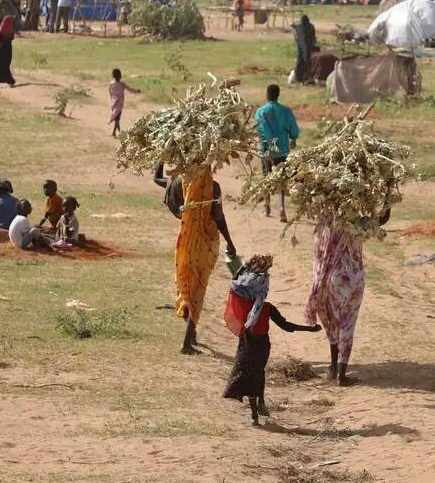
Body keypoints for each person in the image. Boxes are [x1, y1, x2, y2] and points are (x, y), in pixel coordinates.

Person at [223, 255, 321, 425]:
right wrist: (310, 329)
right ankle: (260, 403)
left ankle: (255, 413)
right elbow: (287, 326)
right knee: (257, 374)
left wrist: (244, 266)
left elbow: (234, 282)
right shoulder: (267, 308)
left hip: (247, 344)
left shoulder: (243, 303)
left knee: (246, 375)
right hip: (262, 346)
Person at [153, 162, 237, 355]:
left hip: (184, 243)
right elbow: (218, 217)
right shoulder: (212, 188)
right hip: (202, 245)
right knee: (197, 290)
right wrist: (230, 243)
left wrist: (161, 157)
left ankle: (191, 335)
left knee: (187, 287)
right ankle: (186, 343)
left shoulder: (178, 183)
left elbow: (157, 178)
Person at [307, 208, 388, 387]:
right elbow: (381, 219)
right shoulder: (356, 223)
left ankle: (334, 367)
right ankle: (342, 375)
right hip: (350, 279)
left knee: (333, 323)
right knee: (348, 324)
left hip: (327, 279)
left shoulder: (324, 223)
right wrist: (389, 191)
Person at [255, 84, 300, 221]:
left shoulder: (261, 112)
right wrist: (293, 137)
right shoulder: (286, 111)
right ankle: (282, 208)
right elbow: (294, 129)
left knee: (267, 176)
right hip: (282, 149)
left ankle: (267, 206)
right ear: (278, 95)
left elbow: (260, 130)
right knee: (281, 178)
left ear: (267, 95)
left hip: (267, 150)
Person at [108, 68, 140, 137]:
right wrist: (136, 91)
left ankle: (117, 132)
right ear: (120, 76)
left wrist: (111, 99)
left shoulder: (111, 84)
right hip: (119, 103)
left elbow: (110, 93)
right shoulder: (121, 84)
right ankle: (116, 132)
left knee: (117, 118)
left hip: (113, 102)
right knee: (117, 118)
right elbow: (130, 89)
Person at [0, 15, 17, 88]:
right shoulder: (1, 30)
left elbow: (12, 37)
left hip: (8, 49)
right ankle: (7, 81)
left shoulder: (10, 29)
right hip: (2, 50)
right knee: (0, 66)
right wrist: (6, 39)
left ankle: (8, 81)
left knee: (6, 65)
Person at [292, 15, 316, 84]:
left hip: (302, 47)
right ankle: (304, 78)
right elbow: (313, 38)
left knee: (301, 62)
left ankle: (300, 78)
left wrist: (294, 27)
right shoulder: (311, 26)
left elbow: (296, 35)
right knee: (306, 63)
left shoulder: (299, 27)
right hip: (308, 48)